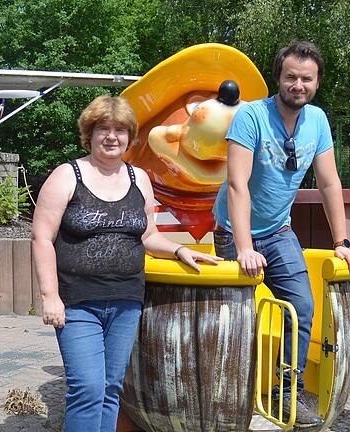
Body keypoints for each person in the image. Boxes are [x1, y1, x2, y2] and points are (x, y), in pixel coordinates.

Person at [32, 95, 220, 432]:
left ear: (130, 137)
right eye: (103, 128)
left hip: (126, 301)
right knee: (86, 389)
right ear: (89, 134)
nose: (111, 136)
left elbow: (147, 235)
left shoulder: (139, 179)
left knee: (110, 389)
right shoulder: (67, 175)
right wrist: (50, 296)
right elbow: (42, 238)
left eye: (120, 130)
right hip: (77, 303)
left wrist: (179, 251)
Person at [212, 40, 350, 428]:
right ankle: (231, 392)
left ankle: (286, 392)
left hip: (279, 231)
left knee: (301, 307)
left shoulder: (318, 121)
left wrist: (341, 243)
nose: (298, 84)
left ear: (316, 83)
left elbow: (330, 184)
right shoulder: (250, 117)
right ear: (277, 77)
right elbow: (237, 185)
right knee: (239, 316)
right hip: (234, 231)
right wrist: (243, 246)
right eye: (291, 76)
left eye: (306, 79)